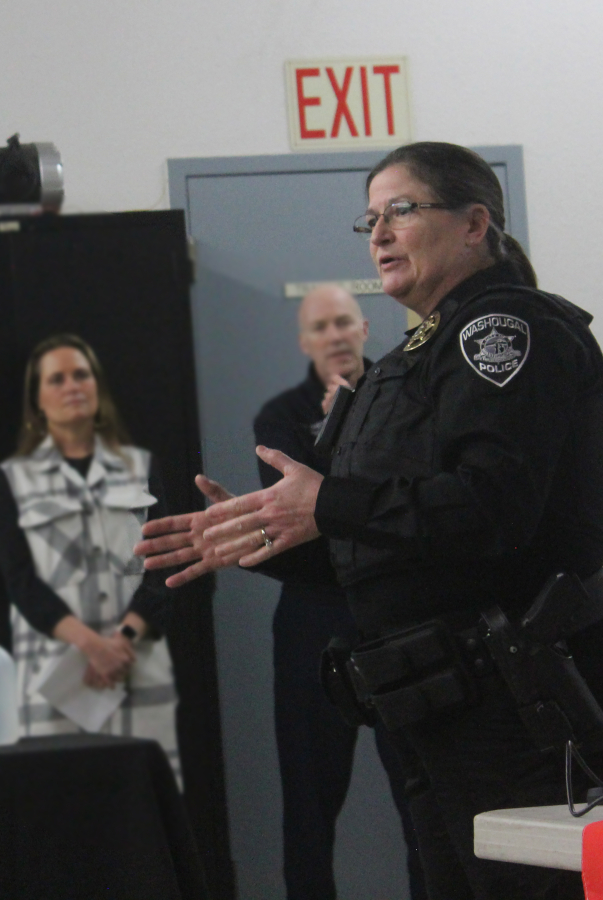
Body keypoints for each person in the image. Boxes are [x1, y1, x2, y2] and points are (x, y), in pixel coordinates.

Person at [135, 142, 603, 900]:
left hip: (527, 696)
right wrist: (265, 538)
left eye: (400, 211)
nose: (377, 233)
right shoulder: (408, 361)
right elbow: (379, 546)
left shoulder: (501, 333)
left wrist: (327, 503)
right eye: (369, 218)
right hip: (440, 699)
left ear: (474, 223)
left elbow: (487, 512)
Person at [253, 283, 426, 900]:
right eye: (321, 327)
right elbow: (297, 534)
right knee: (308, 804)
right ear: (306, 342)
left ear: (363, 329)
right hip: (313, 628)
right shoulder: (279, 419)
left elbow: (410, 510)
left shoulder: (405, 392)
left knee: (422, 801)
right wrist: (335, 431)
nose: (334, 335)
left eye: (344, 323)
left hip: (398, 624)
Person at [0, 334, 179, 776]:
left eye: (81, 375)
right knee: (61, 811)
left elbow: (163, 563)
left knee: (143, 811)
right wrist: (92, 646)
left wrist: (120, 644)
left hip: (136, 665)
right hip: (55, 676)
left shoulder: (140, 466)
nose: (72, 386)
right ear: (37, 399)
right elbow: (21, 582)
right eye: (56, 379)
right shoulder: (14, 480)